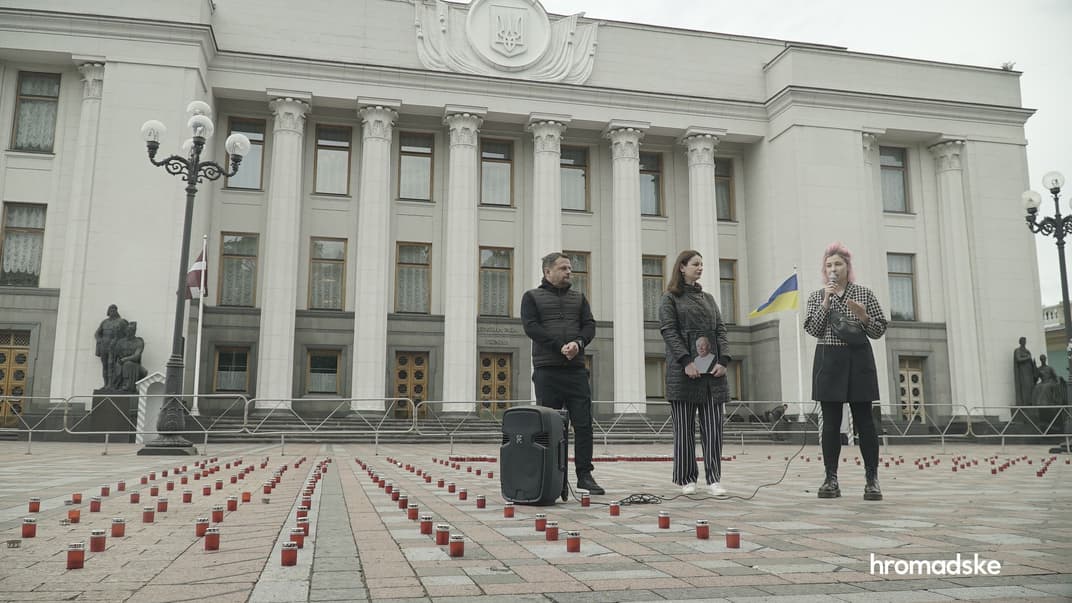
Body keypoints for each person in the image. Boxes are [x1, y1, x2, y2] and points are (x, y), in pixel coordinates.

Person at [804, 242, 888, 501]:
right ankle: (831, 479)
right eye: (829, 265)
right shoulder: (818, 296)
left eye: (838, 264)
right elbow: (812, 329)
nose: (833, 269)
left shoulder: (863, 294)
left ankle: (872, 480)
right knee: (830, 424)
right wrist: (827, 302)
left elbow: (879, 330)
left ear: (847, 267)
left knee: (865, 421)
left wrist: (864, 317)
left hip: (858, 359)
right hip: (829, 360)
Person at [521, 251, 603, 495]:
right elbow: (531, 327)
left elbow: (589, 325)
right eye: (563, 268)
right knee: (550, 427)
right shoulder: (532, 297)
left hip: (576, 370)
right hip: (548, 371)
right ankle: (553, 477)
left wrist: (578, 343)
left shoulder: (579, 298)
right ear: (548, 272)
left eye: (570, 268)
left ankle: (584, 475)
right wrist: (559, 346)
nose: (569, 272)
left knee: (584, 424)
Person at [659, 250, 731, 497]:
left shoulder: (709, 299)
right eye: (695, 264)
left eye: (702, 264)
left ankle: (714, 479)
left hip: (712, 373)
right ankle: (687, 478)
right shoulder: (670, 298)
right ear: (682, 267)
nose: (700, 268)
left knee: (713, 428)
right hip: (683, 373)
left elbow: (721, 330)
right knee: (684, 429)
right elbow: (669, 331)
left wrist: (724, 360)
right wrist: (686, 361)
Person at [110, 321, 148, 393]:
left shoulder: (138, 342)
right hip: (120, 363)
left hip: (134, 364)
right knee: (123, 366)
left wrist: (125, 359)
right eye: (127, 330)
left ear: (134, 331)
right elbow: (115, 354)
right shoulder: (121, 342)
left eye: (131, 330)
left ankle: (128, 386)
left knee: (131, 365)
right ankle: (122, 385)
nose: (128, 332)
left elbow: (136, 356)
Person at [94, 304, 124, 389]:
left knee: (112, 365)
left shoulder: (120, 322)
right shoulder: (104, 322)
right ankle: (105, 384)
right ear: (108, 311)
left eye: (114, 310)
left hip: (113, 346)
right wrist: (99, 340)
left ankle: (112, 384)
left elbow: (124, 334)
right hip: (104, 346)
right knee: (105, 366)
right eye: (110, 310)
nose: (112, 312)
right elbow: (97, 333)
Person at [1013, 337, 1038, 407]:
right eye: (1022, 341)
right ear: (1020, 342)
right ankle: (1025, 402)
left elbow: (1030, 360)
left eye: (1025, 341)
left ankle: (1030, 401)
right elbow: (1018, 359)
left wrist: (1033, 364)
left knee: (1031, 386)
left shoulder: (1027, 351)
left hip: (1029, 371)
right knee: (1025, 386)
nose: (1024, 342)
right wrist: (1027, 358)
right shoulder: (1018, 350)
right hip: (1023, 372)